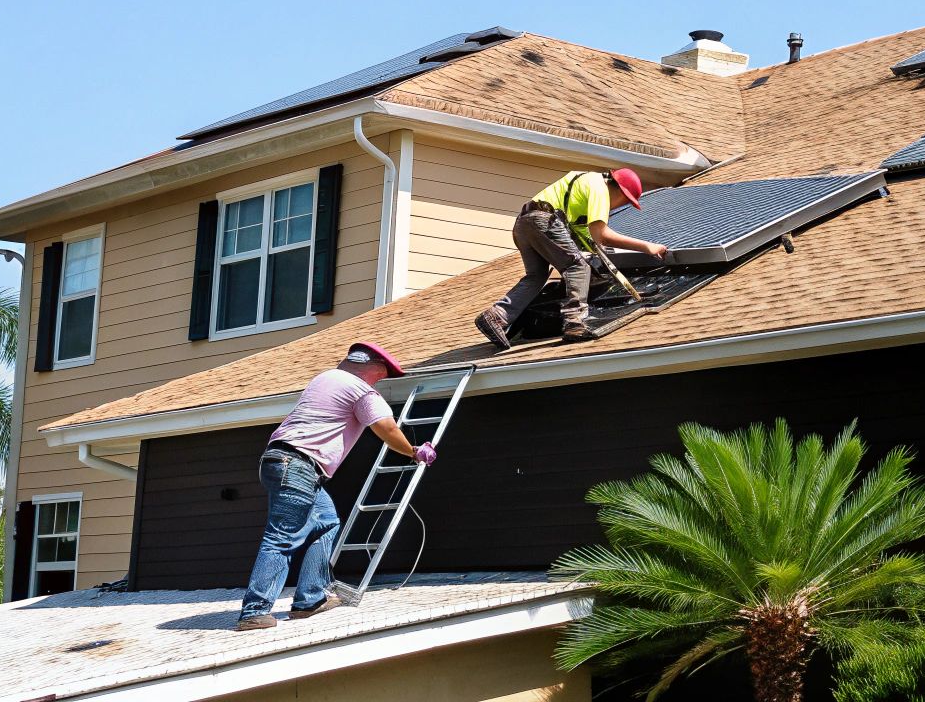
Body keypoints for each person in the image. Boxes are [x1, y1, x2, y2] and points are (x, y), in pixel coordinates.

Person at [234, 342, 435, 630]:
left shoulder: (324, 378)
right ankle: (254, 612)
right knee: (282, 537)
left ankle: (310, 601)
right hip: (299, 466)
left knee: (327, 522)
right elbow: (388, 430)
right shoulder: (362, 391)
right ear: (373, 369)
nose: (381, 381)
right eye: (382, 375)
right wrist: (414, 451)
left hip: (280, 460)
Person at [475, 168, 668, 348]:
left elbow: (593, 242)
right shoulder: (600, 187)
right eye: (626, 201)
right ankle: (575, 322)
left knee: (536, 276)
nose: (621, 205)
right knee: (578, 267)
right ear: (619, 190)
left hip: (524, 223)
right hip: (545, 219)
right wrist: (646, 247)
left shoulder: (584, 189)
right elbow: (602, 234)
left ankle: (496, 316)